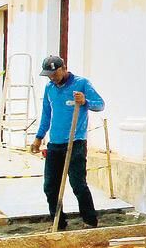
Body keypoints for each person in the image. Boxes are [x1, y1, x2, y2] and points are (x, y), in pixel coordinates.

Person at [30, 55, 105, 229]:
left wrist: (85, 101)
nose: (52, 78)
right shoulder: (49, 88)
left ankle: (90, 221)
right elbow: (46, 115)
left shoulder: (81, 84)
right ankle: (58, 222)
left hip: (75, 142)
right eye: (49, 75)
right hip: (55, 144)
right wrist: (39, 137)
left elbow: (100, 105)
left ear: (63, 68)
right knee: (50, 186)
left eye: (54, 74)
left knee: (78, 184)